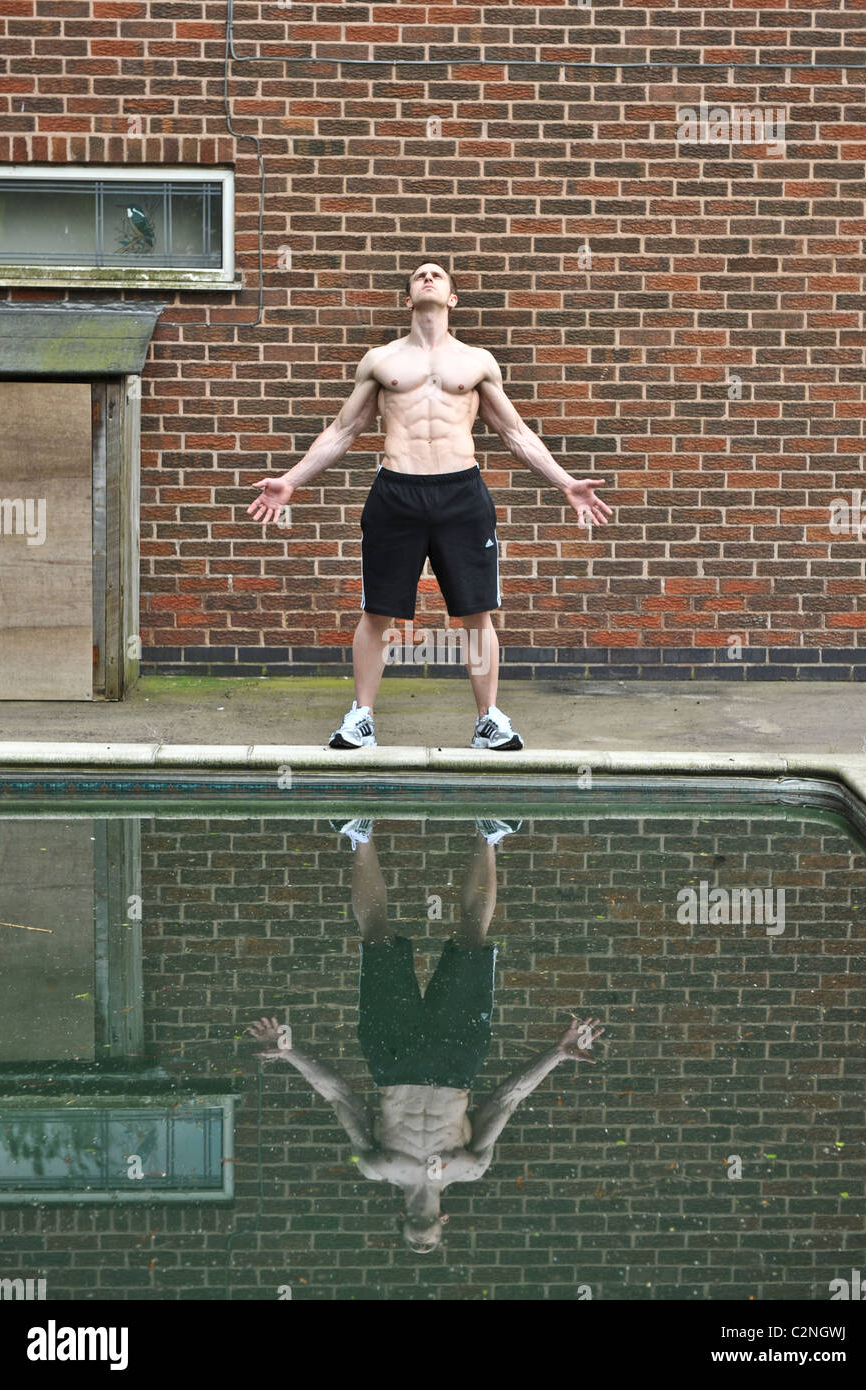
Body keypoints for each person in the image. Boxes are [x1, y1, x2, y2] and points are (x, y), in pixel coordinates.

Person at [247, 260, 612, 750]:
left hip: (462, 495)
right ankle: (361, 718)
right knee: (378, 611)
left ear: (452, 298)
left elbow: (515, 433)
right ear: (408, 299)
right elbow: (343, 430)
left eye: (438, 275)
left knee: (476, 611)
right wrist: (290, 481)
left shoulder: (477, 362)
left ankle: (488, 721)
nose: (428, 278)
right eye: (419, 275)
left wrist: (565, 482)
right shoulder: (380, 361)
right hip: (396, 493)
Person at [246, 816, 606, 1253]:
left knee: (377, 939)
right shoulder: (470, 1168)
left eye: (414, 1236)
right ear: (443, 1220)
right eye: (431, 1237)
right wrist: (557, 1053)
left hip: (392, 1062)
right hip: (456, 1064)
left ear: (401, 1218)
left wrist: (290, 1053)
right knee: (472, 940)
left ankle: (361, 835)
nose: (422, 1237)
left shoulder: (376, 1167)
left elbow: (339, 1096)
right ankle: (488, 835)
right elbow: (507, 1099)